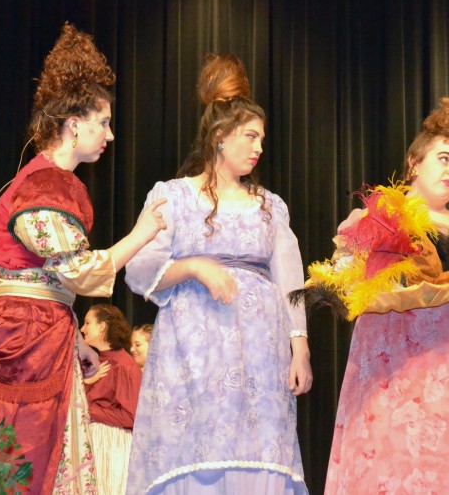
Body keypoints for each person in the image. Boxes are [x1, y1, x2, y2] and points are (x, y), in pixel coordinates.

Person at [0, 23, 166, 494]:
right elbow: (77, 270)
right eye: (104, 122)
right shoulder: (46, 185)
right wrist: (142, 232)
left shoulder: (51, 182)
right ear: (74, 124)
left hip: (37, 332)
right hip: (19, 339)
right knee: (5, 466)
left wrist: (75, 343)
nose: (111, 134)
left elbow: (48, 279)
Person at [316, 98, 449, 494]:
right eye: (444, 158)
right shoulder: (379, 215)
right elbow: (345, 283)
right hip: (395, 374)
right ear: (415, 162)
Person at [124, 54, 313, 494]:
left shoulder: (270, 205)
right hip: (192, 355)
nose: (258, 147)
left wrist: (299, 347)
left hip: (260, 357)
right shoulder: (174, 196)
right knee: (196, 455)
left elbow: (290, 279)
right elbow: (137, 267)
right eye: (250, 136)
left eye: (261, 138)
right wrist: (193, 266)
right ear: (219, 137)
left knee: (260, 458)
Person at [81, 304, 142, 495]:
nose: (82, 329)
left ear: (102, 326)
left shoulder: (124, 365)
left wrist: (87, 411)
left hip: (110, 444)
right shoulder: (94, 362)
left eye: (87, 323)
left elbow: (130, 416)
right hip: (92, 440)